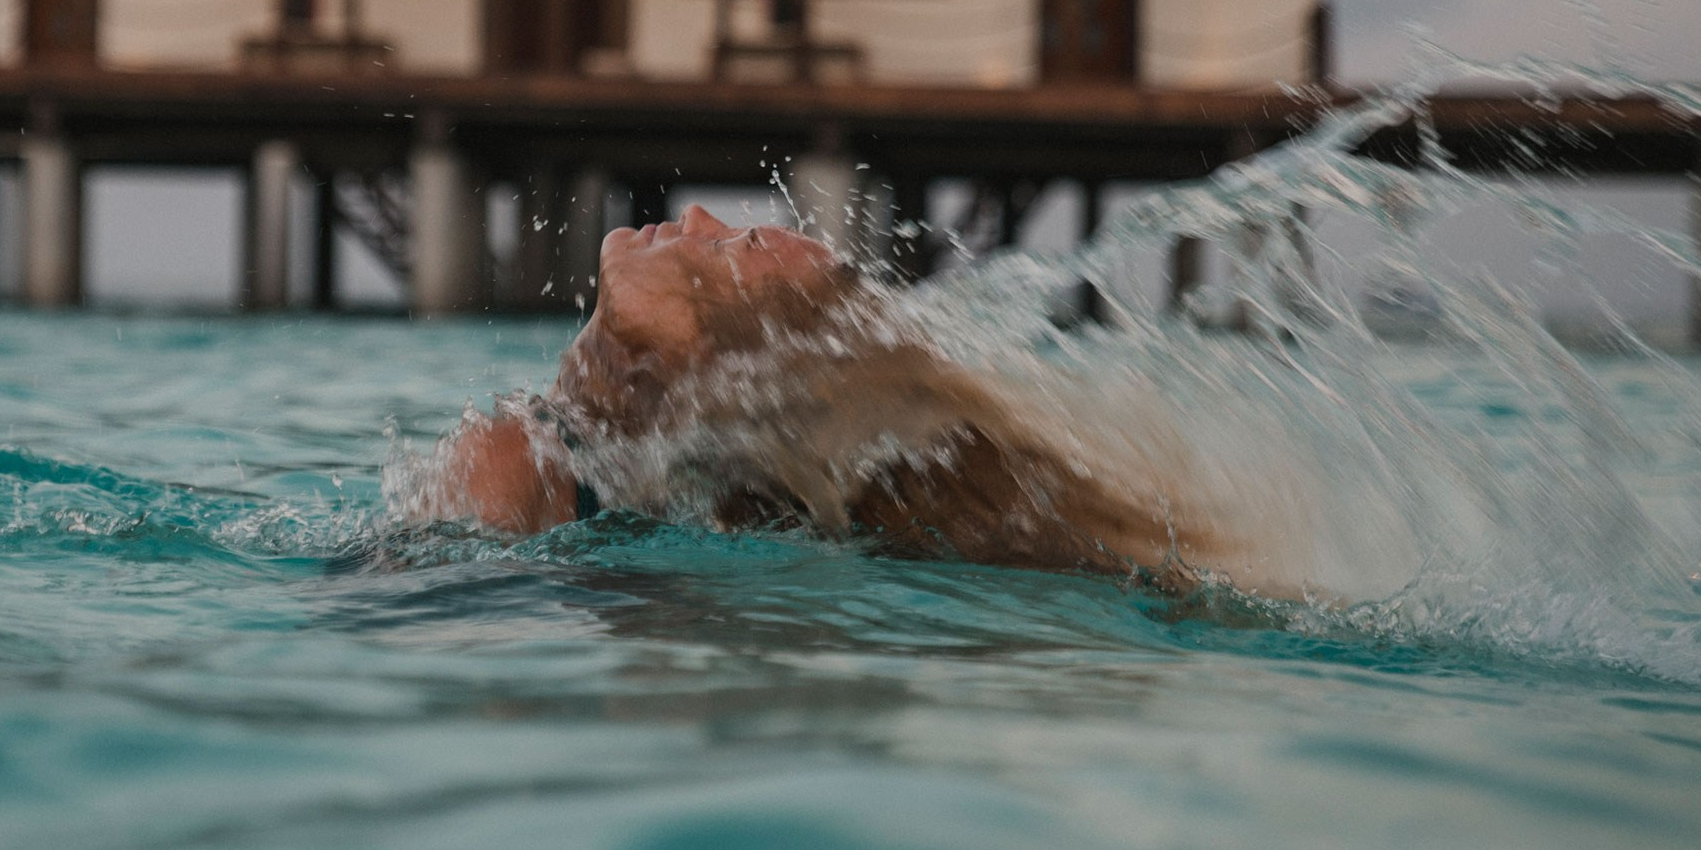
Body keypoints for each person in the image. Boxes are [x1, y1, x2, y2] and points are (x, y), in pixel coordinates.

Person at [409, 205, 1235, 584]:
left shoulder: (511, 459)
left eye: (734, 245)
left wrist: (590, 382)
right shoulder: (709, 529)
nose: (697, 217)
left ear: (695, 359)